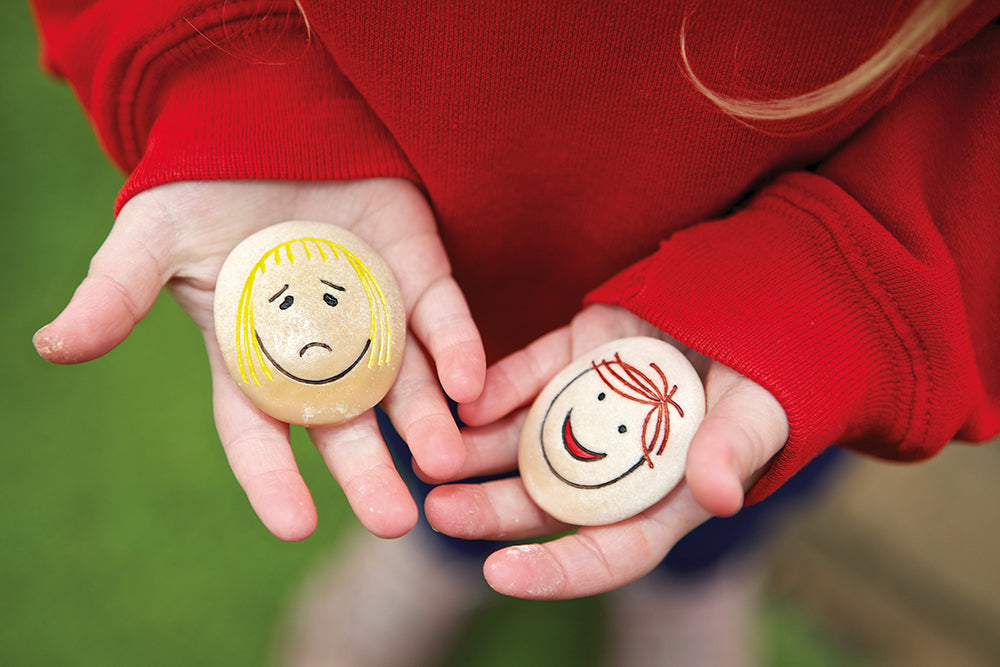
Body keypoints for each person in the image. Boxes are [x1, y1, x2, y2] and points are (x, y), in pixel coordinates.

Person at [29, 0, 1000, 663]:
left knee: (730, 474)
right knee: (441, 430)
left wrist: (852, 288)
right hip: (434, 247)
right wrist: (227, 78)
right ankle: (435, 558)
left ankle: (694, 580)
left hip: (775, 290)